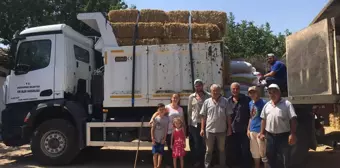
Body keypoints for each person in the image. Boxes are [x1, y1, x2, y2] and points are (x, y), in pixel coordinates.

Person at [259, 84, 297, 168]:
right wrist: (261, 133)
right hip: (270, 137)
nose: (272, 95)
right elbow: (263, 119)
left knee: (285, 159)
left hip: (283, 136)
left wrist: (292, 134)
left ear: (279, 93)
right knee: (270, 158)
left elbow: (293, 119)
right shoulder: (267, 105)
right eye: (270, 93)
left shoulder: (287, 104)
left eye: (274, 92)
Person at [200, 84, 232, 168]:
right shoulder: (207, 102)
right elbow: (203, 116)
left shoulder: (225, 101)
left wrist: (229, 128)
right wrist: (202, 129)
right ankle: (207, 166)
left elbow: (228, 116)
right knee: (208, 150)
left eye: (217, 90)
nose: (215, 92)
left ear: (220, 91)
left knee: (222, 150)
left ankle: (222, 165)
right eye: (213, 90)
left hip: (222, 130)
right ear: (210, 92)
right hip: (209, 131)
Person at [150, 93, 186, 168]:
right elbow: (158, 112)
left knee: (177, 148)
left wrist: (184, 133)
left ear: (179, 99)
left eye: (176, 98)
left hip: (177, 132)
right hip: (168, 131)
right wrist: (151, 119)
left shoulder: (180, 109)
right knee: (170, 148)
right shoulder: (168, 107)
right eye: (174, 98)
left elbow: (182, 121)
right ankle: (169, 164)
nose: (175, 99)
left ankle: (176, 164)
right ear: (171, 98)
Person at [226, 82, 252, 168]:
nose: (235, 90)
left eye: (237, 88)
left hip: (244, 129)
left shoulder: (246, 99)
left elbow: (251, 115)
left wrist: (249, 128)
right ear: (231, 90)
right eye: (233, 89)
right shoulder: (228, 101)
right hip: (233, 129)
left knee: (245, 149)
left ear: (239, 89)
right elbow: (227, 116)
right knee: (234, 149)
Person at [187, 79, 211, 167]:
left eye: (200, 85)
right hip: (194, 124)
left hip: (206, 123)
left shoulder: (208, 96)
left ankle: (205, 162)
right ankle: (197, 161)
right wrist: (189, 124)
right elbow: (189, 111)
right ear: (194, 86)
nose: (198, 87)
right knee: (197, 143)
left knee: (205, 143)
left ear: (202, 86)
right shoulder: (191, 97)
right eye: (196, 86)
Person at [247, 86, 268, 168]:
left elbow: (266, 118)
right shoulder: (250, 103)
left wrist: (263, 132)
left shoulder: (263, 103)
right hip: (252, 131)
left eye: (254, 92)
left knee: (263, 152)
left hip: (260, 131)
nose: (252, 94)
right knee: (255, 153)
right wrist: (248, 129)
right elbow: (251, 117)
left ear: (258, 93)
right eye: (250, 92)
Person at [151, 103, 169, 168]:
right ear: (157, 111)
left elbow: (166, 129)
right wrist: (152, 138)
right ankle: (155, 166)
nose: (162, 111)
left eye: (163, 109)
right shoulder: (155, 119)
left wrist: (164, 138)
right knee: (155, 153)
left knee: (160, 153)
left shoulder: (166, 119)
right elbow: (152, 129)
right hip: (155, 139)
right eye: (160, 109)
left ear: (165, 110)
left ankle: (158, 166)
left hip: (162, 139)